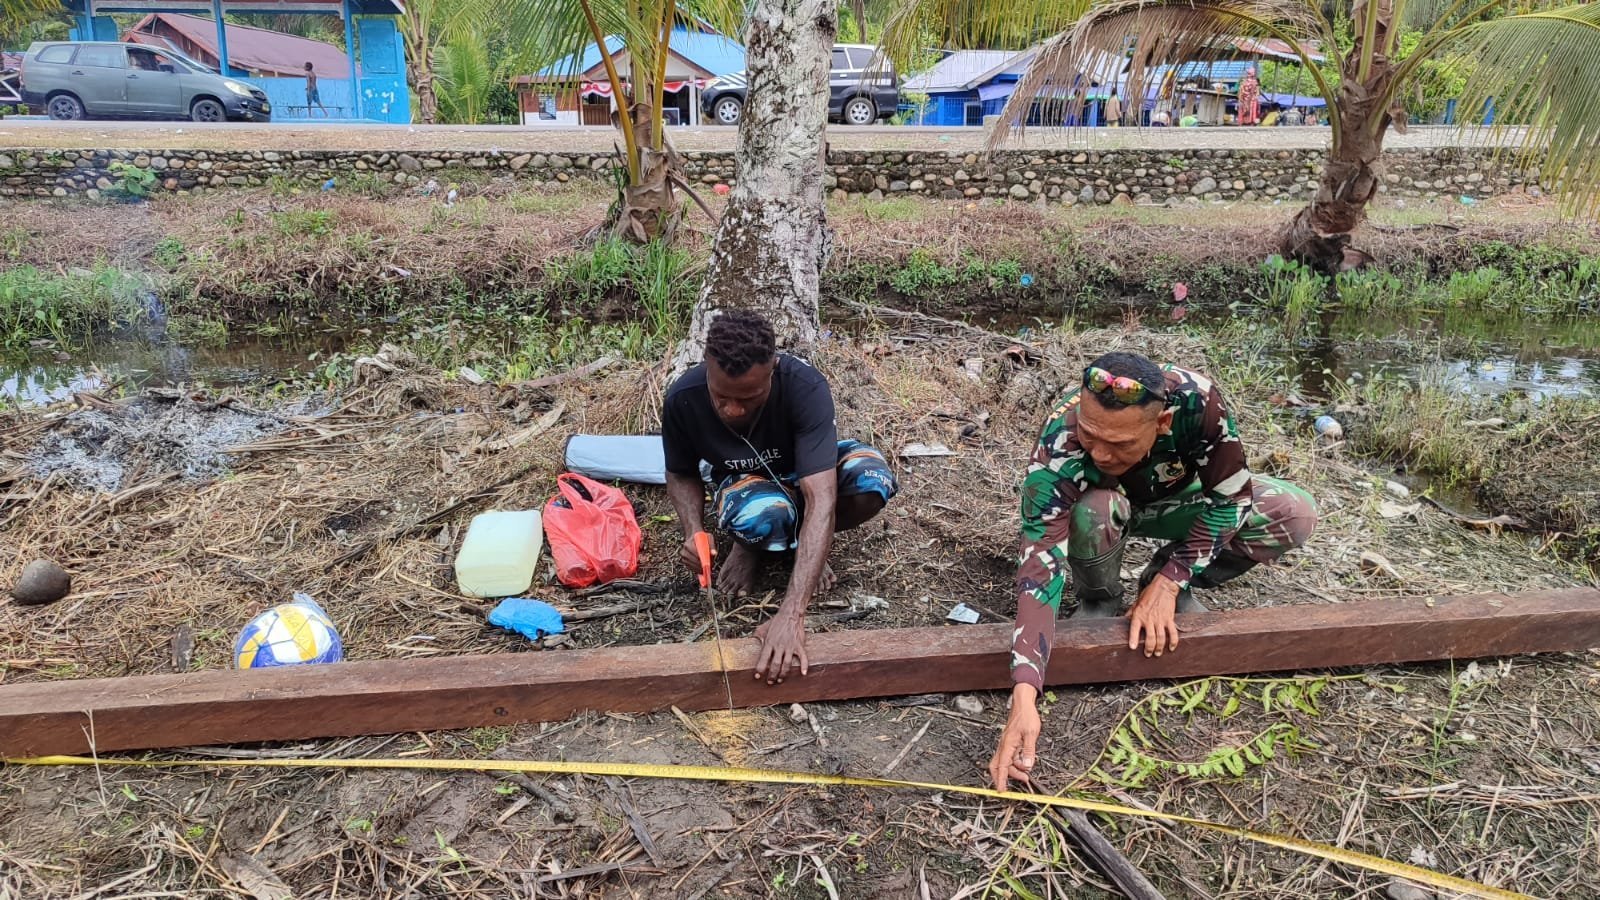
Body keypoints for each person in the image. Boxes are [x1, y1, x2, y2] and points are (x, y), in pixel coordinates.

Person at [988, 352, 1318, 790]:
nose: (1101, 452)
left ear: (1161, 423)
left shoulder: (1198, 405)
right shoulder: (1059, 442)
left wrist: (1171, 579)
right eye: (1091, 436)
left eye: (1120, 443)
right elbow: (1039, 567)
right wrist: (1024, 695)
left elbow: (1232, 499)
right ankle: (1100, 600)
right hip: (1105, 509)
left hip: (1178, 503)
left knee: (1292, 512)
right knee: (1094, 511)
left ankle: (1162, 583)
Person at [662, 310, 899, 685]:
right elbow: (679, 471)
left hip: (806, 471)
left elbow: (821, 497)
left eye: (751, 396)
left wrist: (792, 614)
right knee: (763, 517)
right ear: (707, 365)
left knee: (872, 479)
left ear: (773, 368)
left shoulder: (804, 385)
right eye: (723, 397)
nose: (735, 409)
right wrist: (693, 530)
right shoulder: (683, 398)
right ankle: (755, 544)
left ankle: (804, 544)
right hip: (743, 481)